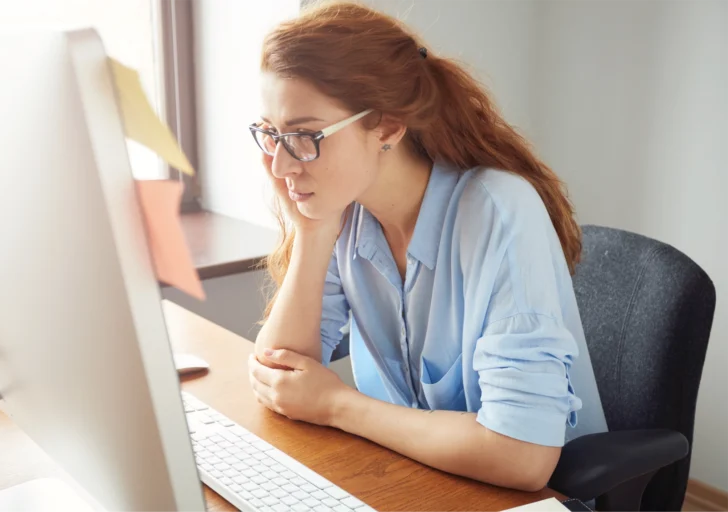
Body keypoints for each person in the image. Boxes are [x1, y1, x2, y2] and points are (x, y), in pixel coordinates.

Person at [247, 0, 607, 492]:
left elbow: (523, 456)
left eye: (306, 136)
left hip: (528, 497)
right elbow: (278, 376)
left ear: (388, 127)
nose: (283, 166)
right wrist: (311, 234)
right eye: (272, 134)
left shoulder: (496, 213)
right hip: (412, 477)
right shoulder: (344, 209)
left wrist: (336, 405)